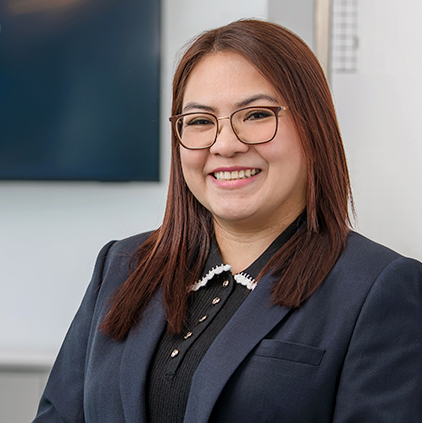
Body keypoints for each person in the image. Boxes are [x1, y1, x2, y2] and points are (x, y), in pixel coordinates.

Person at [33, 19, 422, 423]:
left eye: (255, 115)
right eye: (200, 121)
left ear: (313, 126)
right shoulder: (122, 265)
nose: (226, 145)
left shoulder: (381, 289)